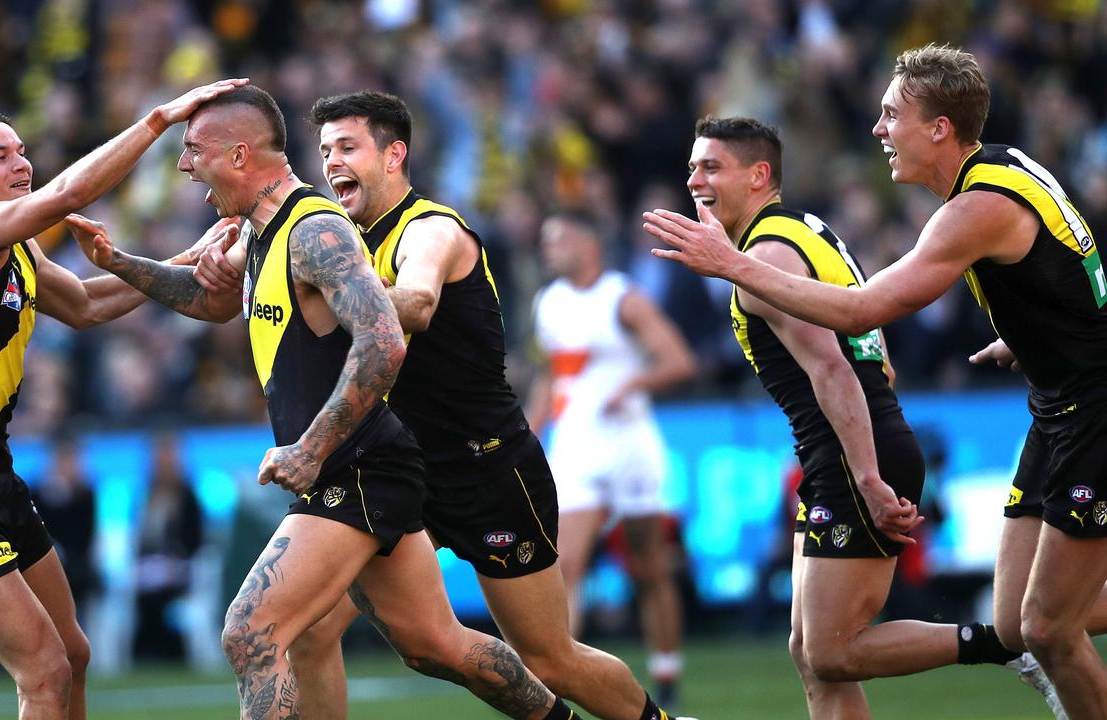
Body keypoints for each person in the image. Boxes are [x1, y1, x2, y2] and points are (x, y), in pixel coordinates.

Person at [68, 84, 585, 720]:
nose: (183, 166)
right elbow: (208, 301)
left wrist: (311, 450)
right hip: (355, 465)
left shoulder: (314, 230)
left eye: (192, 150)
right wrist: (118, 261)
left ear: (238, 156)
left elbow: (386, 341)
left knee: (250, 632)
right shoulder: (257, 232)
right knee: (433, 645)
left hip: (360, 467)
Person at [188, 89, 680, 720]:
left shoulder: (432, 230)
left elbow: (415, 305)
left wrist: (344, 295)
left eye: (347, 147)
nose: (331, 163)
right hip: (392, 468)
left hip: (483, 466)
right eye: (323, 151)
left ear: (394, 155)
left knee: (549, 657)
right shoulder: (323, 235)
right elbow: (227, 287)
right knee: (305, 629)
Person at [646, 113, 1063, 719]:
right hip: (848, 449)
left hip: (853, 456)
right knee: (809, 653)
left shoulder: (764, 258)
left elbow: (834, 372)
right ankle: (998, 642)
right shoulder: (803, 231)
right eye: (691, 168)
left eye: (711, 167)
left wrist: (867, 477)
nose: (694, 181)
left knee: (833, 653)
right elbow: (873, 350)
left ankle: (998, 643)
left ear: (759, 175)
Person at [0, 77, 246, 720]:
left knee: (74, 656)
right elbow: (70, 193)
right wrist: (159, 119)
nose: (21, 162)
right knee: (44, 671)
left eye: (21, 150)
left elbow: (86, 305)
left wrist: (185, 259)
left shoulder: (15, 248)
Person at [528, 210, 696, 707]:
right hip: (576, 445)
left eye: (557, 238)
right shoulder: (548, 303)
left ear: (588, 243)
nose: (548, 250)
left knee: (648, 565)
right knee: (564, 563)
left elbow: (678, 359)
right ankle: (557, 680)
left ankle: (666, 674)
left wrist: (634, 384)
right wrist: (530, 433)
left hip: (628, 445)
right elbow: (550, 377)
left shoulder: (620, 299)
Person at [133, 432, 203, 662]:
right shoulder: (145, 495)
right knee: (145, 594)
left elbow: (196, 540)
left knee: (165, 595)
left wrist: (176, 562)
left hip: (181, 569)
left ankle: (174, 653)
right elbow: (139, 540)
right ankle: (145, 653)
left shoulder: (188, 496)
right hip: (148, 570)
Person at [32, 433, 97, 622]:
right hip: (42, 561)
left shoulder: (86, 497)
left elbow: (85, 538)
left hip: (76, 566)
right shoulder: (36, 493)